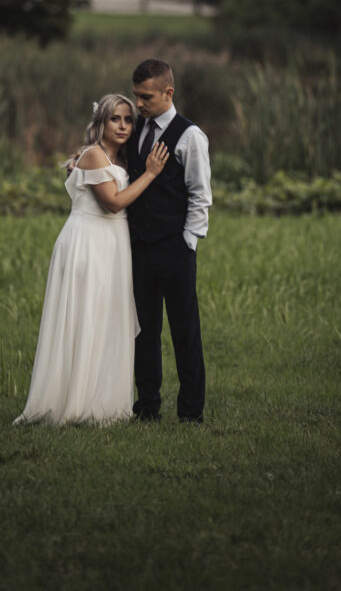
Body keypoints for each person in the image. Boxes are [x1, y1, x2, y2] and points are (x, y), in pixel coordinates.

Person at [13, 93, 169, 426]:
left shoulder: (116, 159)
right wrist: (151, 174)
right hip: (89, 243)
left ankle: (104, 402)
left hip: (113, 245)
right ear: (101, 122)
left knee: (108, 318)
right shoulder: (95, 156)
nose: (124, 126)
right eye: (116, 119)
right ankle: (75, 402)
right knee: (85, 316)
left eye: (129, 120)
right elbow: (113, 203)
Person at [127, 58, 212, 424]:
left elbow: (199, 195)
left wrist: (187, 242)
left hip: (175, 250)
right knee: (143, 332)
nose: (140, 104)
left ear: (168, 92)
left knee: (184, 332)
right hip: (137, 249)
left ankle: (191, 413)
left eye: (146, 97)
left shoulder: (190, 136)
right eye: (136, 97)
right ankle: (147, 408)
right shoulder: (134, 130)